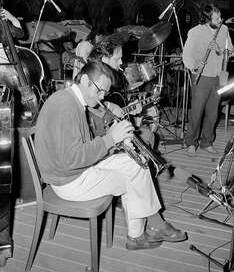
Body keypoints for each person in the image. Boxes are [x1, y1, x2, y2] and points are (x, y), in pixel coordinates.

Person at [34, 59, 187, 250]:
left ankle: (142, 233)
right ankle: (145, 231)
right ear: (83, 80)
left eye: (104, 93)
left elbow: (79, 149)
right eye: (98, 90)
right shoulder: (66, 106)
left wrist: (114, 143)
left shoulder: (69, 100)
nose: (100, 97)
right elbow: (72, 159)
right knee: (133, 179)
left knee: (136, 163)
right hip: (69, 181)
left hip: (72, 171)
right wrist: (111, 139)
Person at [182, 4, 234, 155]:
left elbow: (230, 51)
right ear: (207, 18)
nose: (220, 20)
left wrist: (219, 49)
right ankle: (191, 142)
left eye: (220, 17)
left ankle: (206, 142)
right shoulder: (195, 32)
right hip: (201, 76)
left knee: (213, 112)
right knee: (197, 111)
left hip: (218, 76)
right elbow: (187, 54)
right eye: (216, 18)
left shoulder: (224, 30)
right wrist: (194, 67)